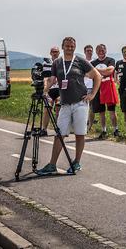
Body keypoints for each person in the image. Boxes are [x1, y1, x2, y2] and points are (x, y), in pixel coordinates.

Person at [36, 37, 101, 175]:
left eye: (72, 46)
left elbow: (97, 76)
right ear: (63, 47)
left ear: (75, 47)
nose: (70, 48)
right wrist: (44, 90)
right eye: (67, 46)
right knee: (60, 133)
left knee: (79, 133)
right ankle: (52, 164)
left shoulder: (80, 61)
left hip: (80, 103)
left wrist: (92, 94)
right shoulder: (57, 63)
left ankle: (76, 162)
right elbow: (53, 79)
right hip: (65, 103)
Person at [91, 44, 118, 138]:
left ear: (106, 50)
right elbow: (91, 74)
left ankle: (116, 129)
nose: (101, 52)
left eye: (102, 50)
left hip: (108, 87)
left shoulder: (110, 60)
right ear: (96, 51)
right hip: (97, 88)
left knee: (112, 110)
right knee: (101, 112)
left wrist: (95, 70)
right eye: (98, 50)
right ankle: (104, 130)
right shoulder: (93, 62)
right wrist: (103, 71)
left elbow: (109, 71)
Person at [41, 46, 61, 135]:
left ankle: (59, 129)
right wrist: (45, 88)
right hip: (49, 89)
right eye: (53, 51)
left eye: (56, 51)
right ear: (50, 53)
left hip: (59, 89)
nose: (55, 53)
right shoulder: (45, 63)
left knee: (58, 107)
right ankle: (44, 129)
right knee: (47, 108)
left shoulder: (62, 62)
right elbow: (44, 77)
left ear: (59, 53)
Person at [83, 44, 96, 131]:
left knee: (91, 108)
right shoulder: (82, 61)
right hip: (82, 86)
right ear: (84, 52)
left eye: (90, 51)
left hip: (92, 86)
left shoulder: (95, 62)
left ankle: (89, 126)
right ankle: (82, 124)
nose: (89, 52)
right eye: (87, 51)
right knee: (82, 106)